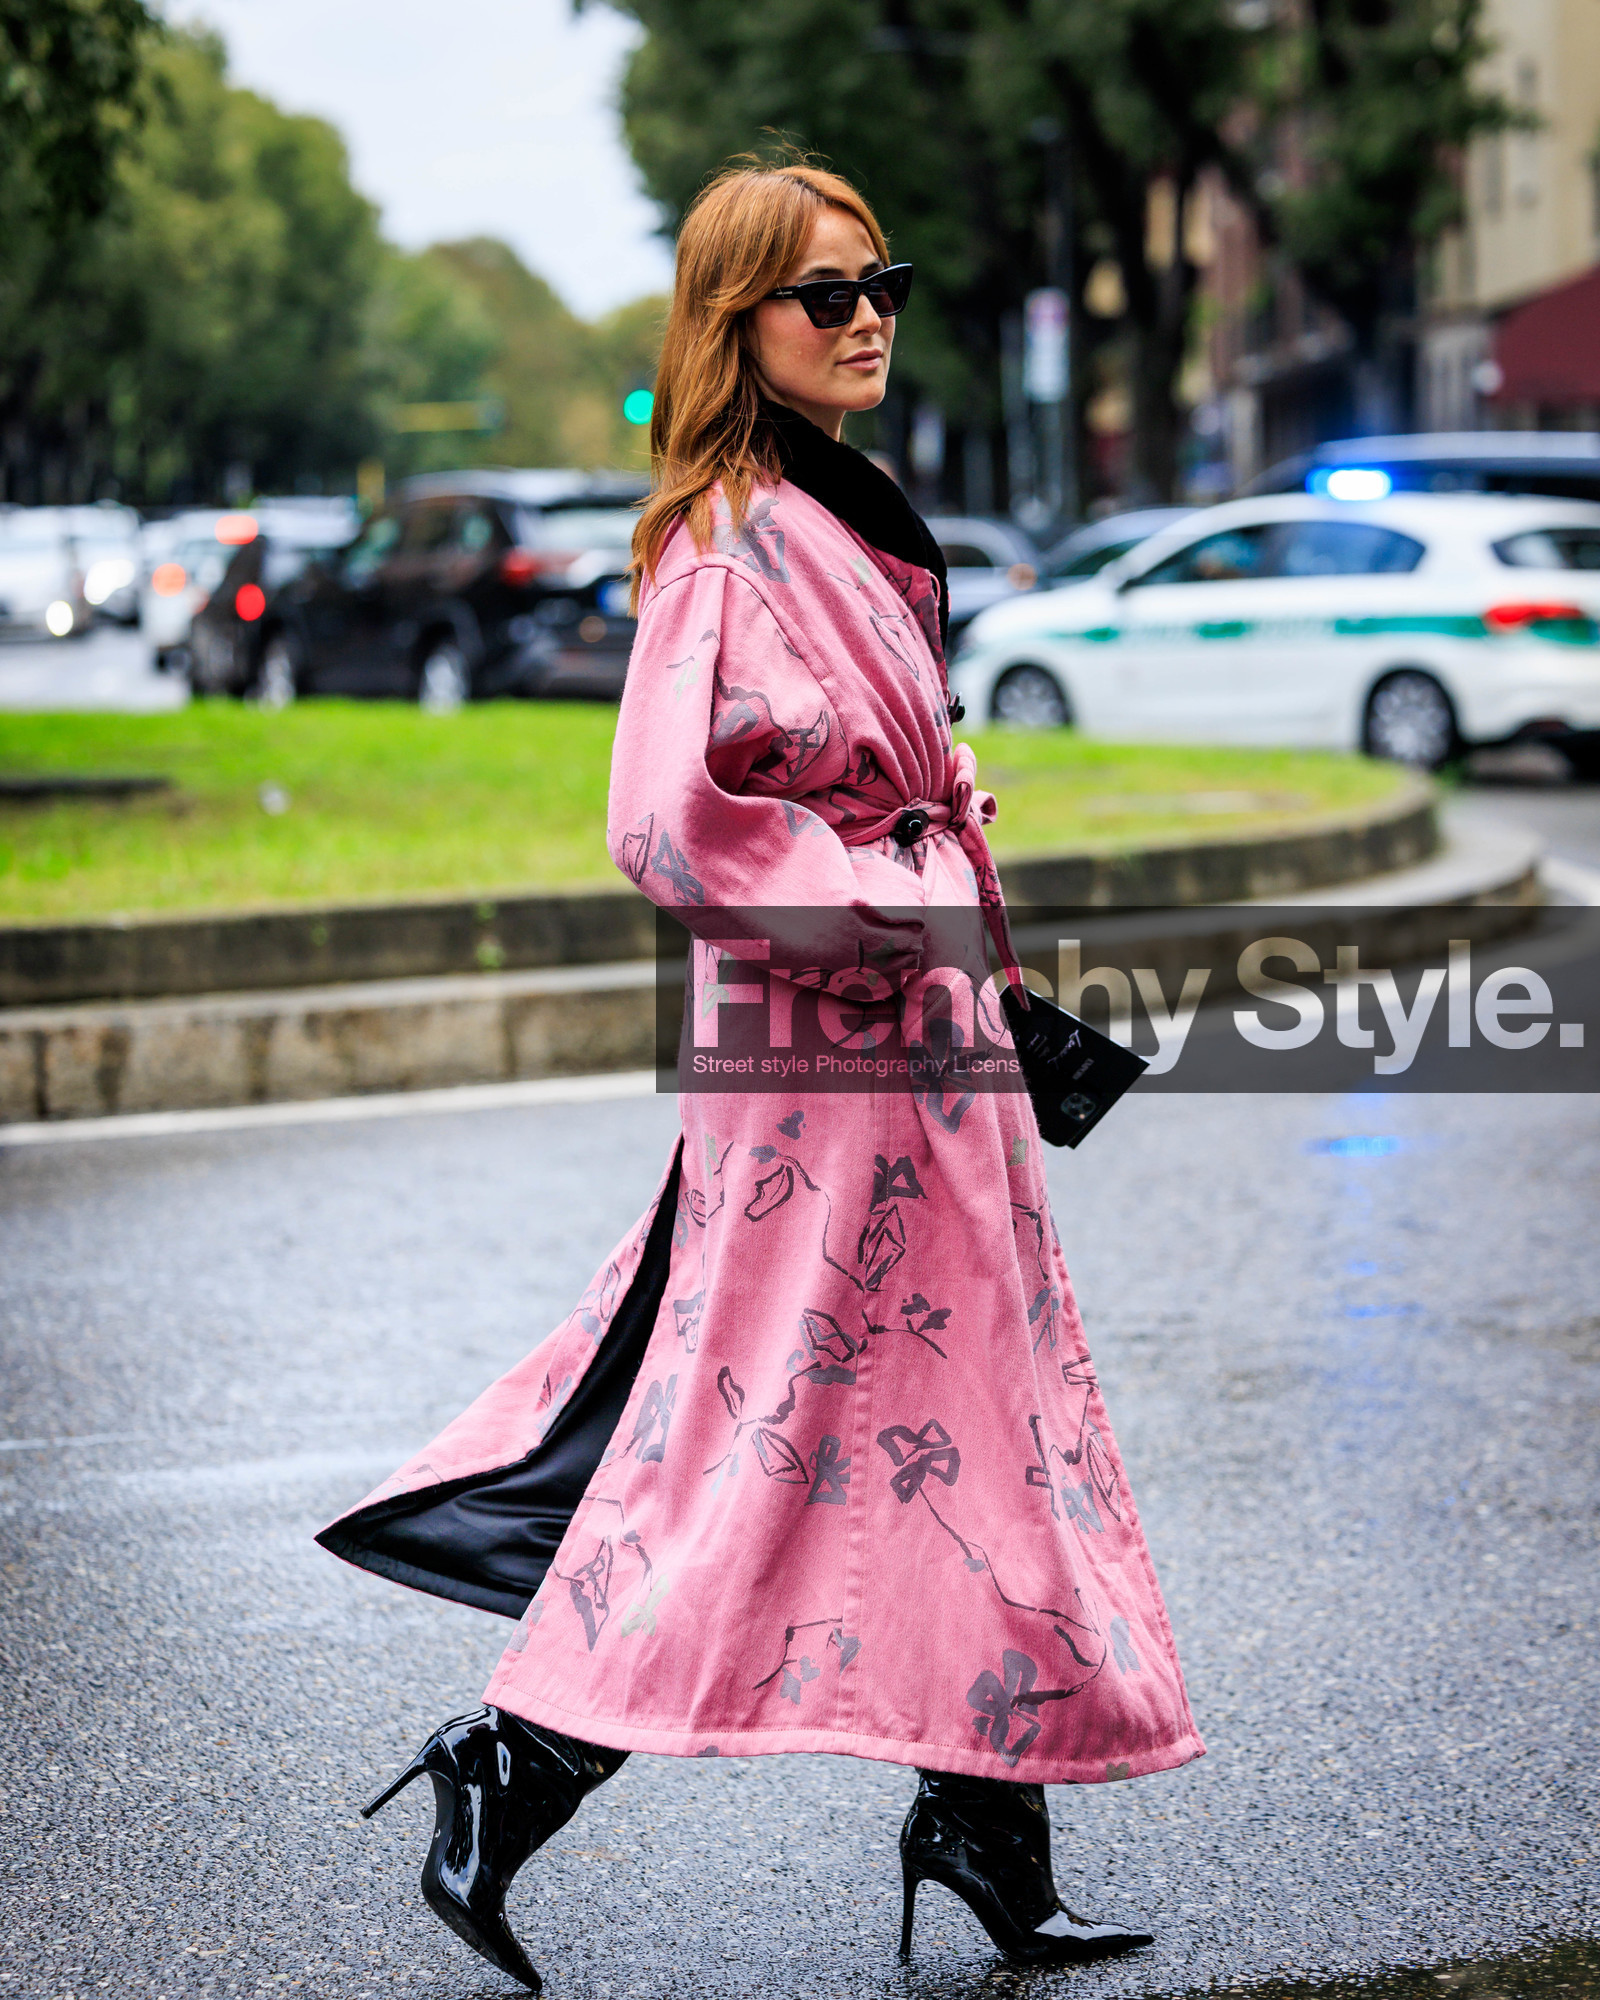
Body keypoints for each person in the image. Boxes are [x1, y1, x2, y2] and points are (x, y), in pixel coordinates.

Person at [317, 159, 1203, 1992]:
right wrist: (888, 886)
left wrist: (928, 831)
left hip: (916, 1058)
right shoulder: (724, 532)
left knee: (980, 1427)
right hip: (837, 1070)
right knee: (771, 1437)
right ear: (741, 326)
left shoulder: (832, 507)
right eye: (825, 293)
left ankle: (982, 1814)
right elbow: (666, 823)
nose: (869, 311)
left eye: (883, 277)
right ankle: (518, 1761)